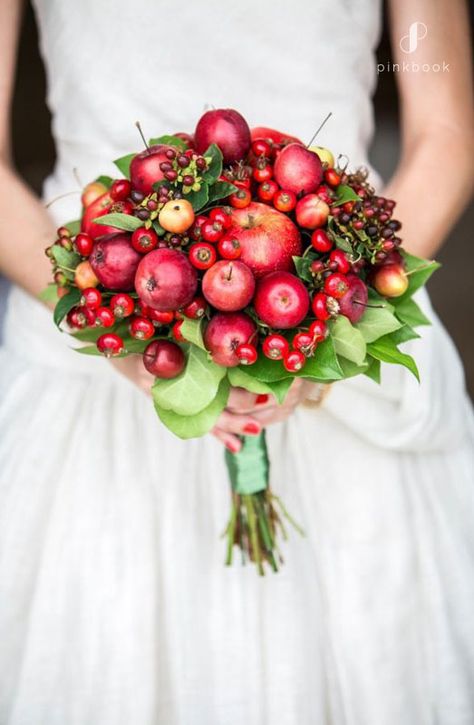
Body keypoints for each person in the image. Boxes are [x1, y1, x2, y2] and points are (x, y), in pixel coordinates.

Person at [0, 0, 473, 723]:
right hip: (103, 345)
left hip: (323, 318)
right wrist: (124, 341)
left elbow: (448, 131)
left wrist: (326, 339)